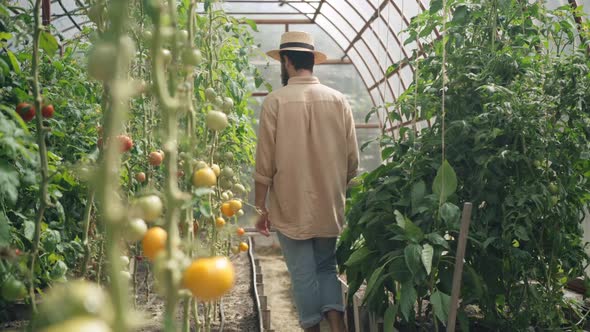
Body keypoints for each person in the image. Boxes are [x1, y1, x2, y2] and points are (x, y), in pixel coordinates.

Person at [253, 31, 359, 332]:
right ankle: (337, 326)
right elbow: (352, 160)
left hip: (291, 204)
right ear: (312, 62)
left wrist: (260, 208)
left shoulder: (275, 102)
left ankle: (311, 328)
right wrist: (338, 189)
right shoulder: (339, 101)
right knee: (326, 267)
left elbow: (265, 164)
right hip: (329, 203)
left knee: (302, 273)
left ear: (286, 62)